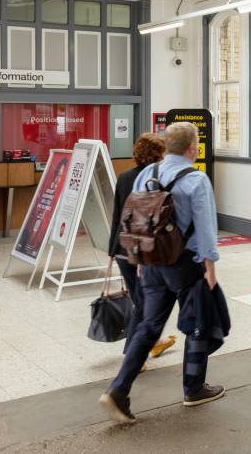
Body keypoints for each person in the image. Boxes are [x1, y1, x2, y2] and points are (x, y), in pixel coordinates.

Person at [99, 122, 223, 424]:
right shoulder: (196, 179)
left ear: (167, 147)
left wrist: (139, 259)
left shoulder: (146, 174)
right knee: (197, 322)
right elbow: (205, 228)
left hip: (151, 264)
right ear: (192, 147)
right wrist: (210, 267)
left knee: (149, 325)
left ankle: (118, 390)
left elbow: (136, 218)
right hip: (186, 264)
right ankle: (193, 389)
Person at [107, 133, 177, 359]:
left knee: (142, 299)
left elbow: (117, 215)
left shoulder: (125, 177)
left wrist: (111, 251)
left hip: (122, 247)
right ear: (159, 154)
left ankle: (152, 342)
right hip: (143, 249)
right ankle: (133, 353)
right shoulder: (157, 181)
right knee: (145, 302)